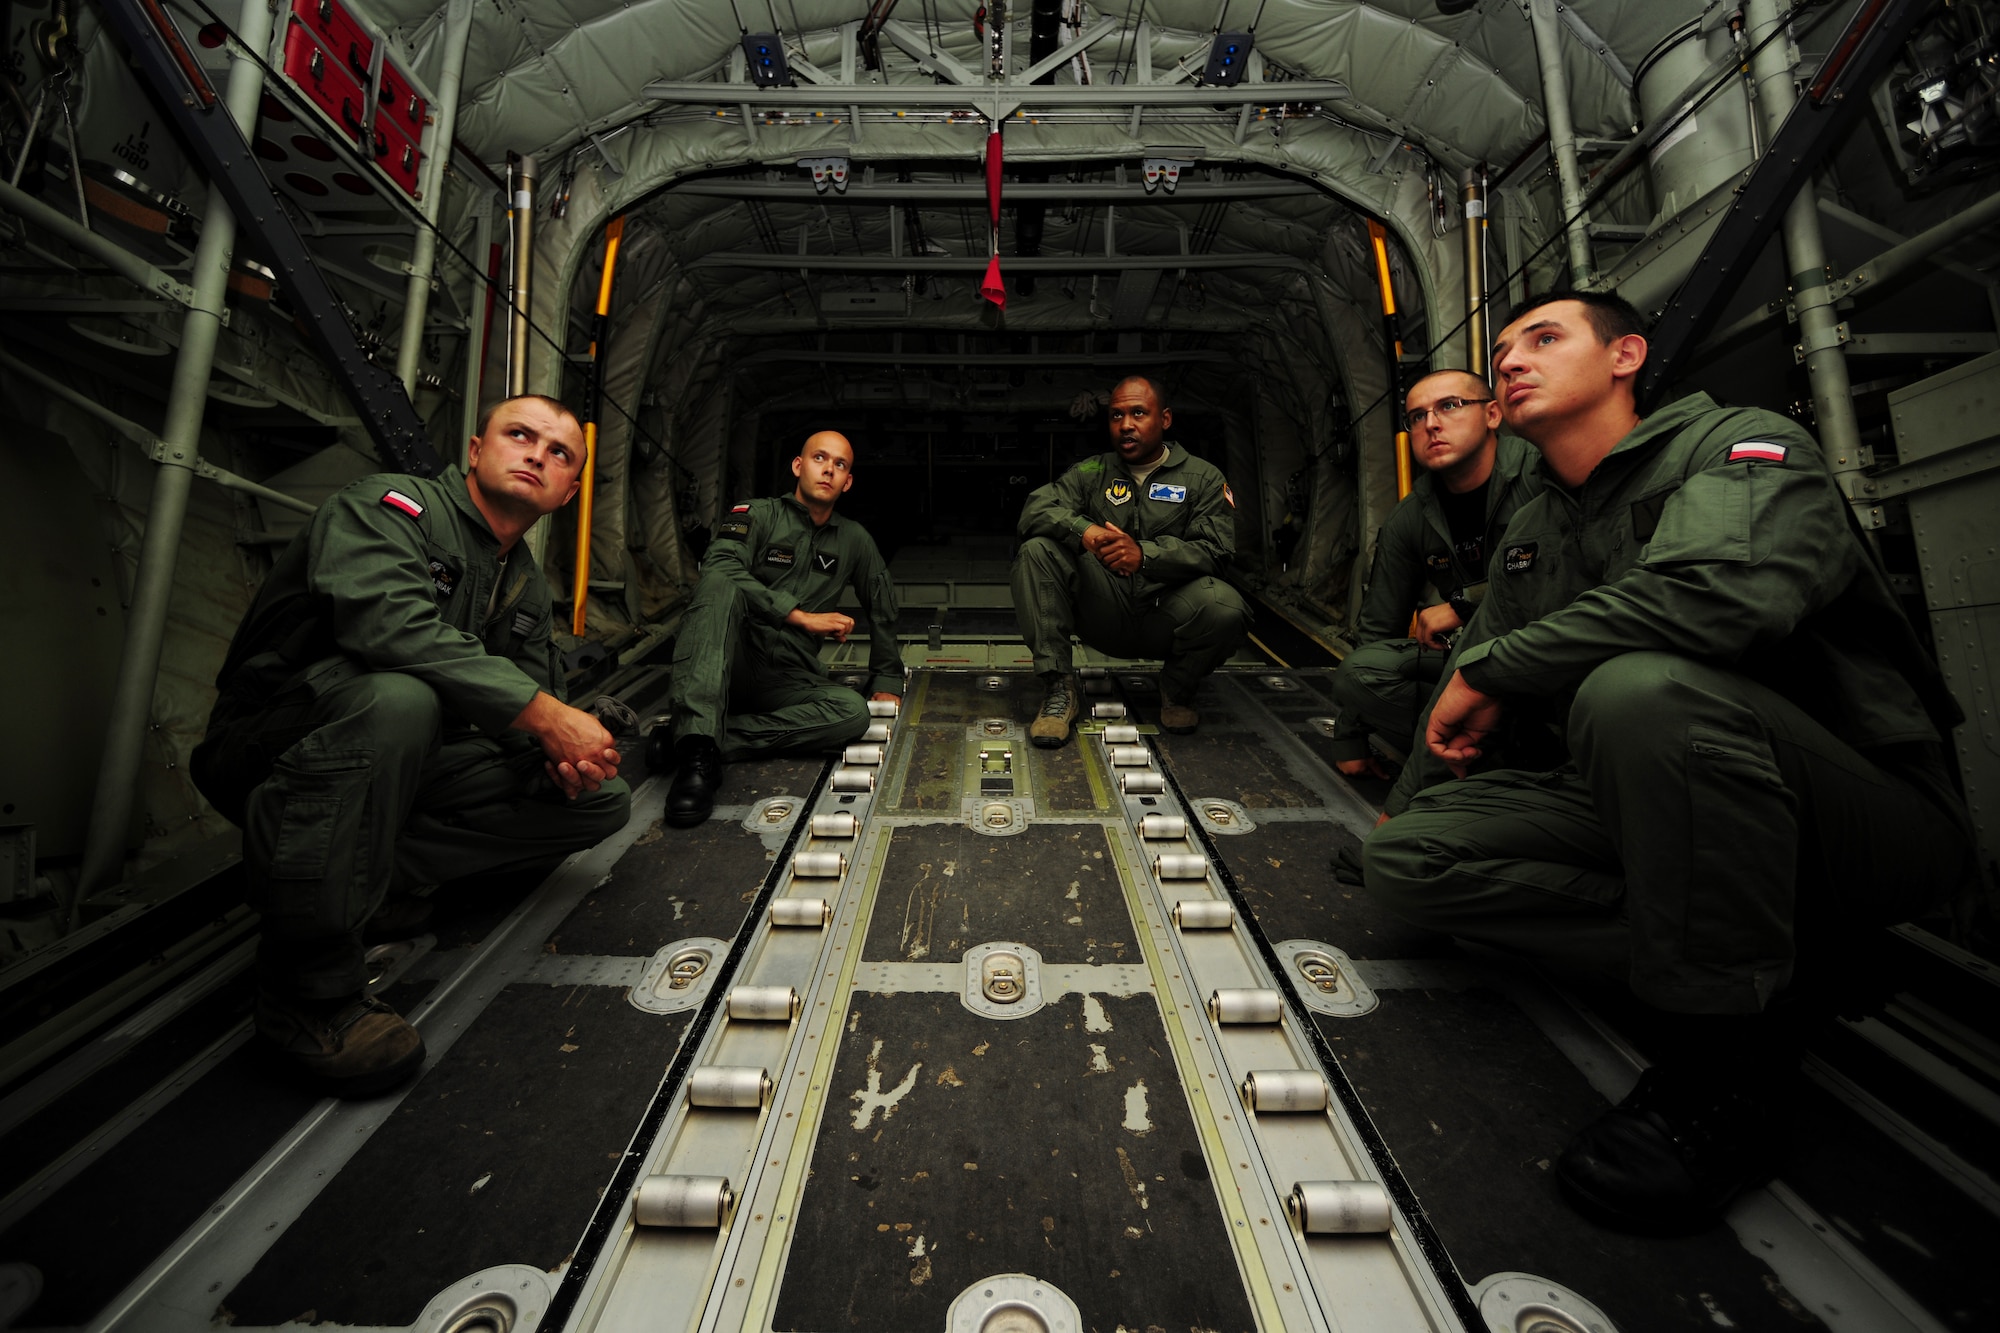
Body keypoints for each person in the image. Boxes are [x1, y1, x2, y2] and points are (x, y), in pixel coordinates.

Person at [1362, 292, 1973, 1233]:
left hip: (1860, 816)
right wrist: (1402, 809)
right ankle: (1782, 961)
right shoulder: (1540, 521)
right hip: (1654, 802)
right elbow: (1465, 692)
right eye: (1504, 349)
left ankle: (1727, 1068)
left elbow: (1722, 597)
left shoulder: (1738, 448)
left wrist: (1498, 665)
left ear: (1626, 356)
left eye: (1545, 339)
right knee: (1404, 869)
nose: (1513, 362)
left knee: (1636, 690)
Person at [192, 395, 631, 1098]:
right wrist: (547, 716)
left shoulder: (520, 580)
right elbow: (387, 628)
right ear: (476, 447)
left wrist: (565, 755)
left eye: (559, 454)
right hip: (276, 746)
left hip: (403, 761)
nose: (536, 455)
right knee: (401, 697)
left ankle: (371, 877)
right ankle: (304, 994)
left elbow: (527, 699)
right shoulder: (387, 508)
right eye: (520, 435)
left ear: (570, 491)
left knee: (598, 801)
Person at [659, 431, 902, 827]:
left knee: (852, 714)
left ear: (848, 481)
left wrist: (888, 675)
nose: (828, 469)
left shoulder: (854, 540)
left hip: (787, 674)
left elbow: (882, 603)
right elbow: (719, 567)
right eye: (819, 458)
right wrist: (800, 616)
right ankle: (697, 765)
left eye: (840, 465)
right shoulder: (756, 515)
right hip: (729, 659)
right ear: (798, 466)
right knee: (720, 583)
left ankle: (697, 742)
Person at [1326, 369, 1540, 779]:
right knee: (1360, 672)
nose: (1432, 425)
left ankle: (1512, 749)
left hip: (1550, 651)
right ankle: (1493, 750)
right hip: (1472, 663)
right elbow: (1378, 626)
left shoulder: (1539, 476)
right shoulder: (1412, 515)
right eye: (1417, 417)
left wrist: (1465, 604)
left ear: (1493, 414)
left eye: (1450, 406)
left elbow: (1568, 572)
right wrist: (1351, 738)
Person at [1012, 376, 1250, 745]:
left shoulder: (1202, 478)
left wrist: (1145, 555)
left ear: (1165, 419)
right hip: (1104, 607)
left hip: (1166, 611)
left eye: (1139, 413)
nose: (1126, 425)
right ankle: (1059, 688)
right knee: (1037, 551)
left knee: (1225, 606)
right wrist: (1084, 530)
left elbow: (1217, 551)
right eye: (1116, 415)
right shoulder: (1093, 472)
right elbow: (1036, 508)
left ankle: (1177, 688)